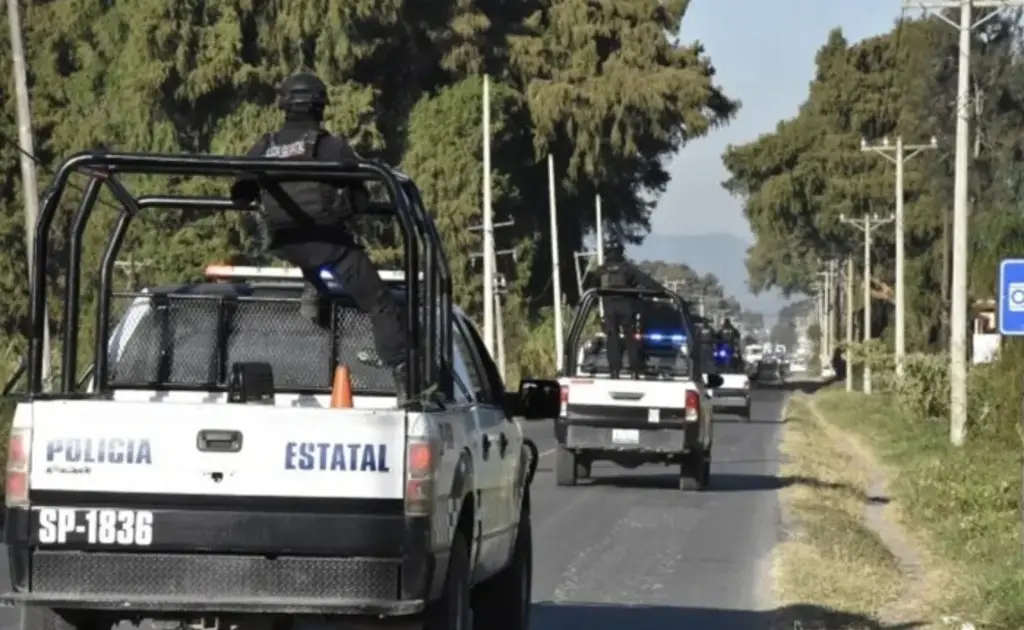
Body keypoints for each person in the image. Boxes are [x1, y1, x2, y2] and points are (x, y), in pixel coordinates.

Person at [229, 70, 408, 401]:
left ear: (284, 106)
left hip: (286, 243)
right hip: (329, 245)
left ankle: (318, 302)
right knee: (379, 302)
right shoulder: (331, 146)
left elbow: (239, 196)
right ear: (320, 107)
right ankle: (405, 381)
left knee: (320, 278)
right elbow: (359, 201)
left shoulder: (265, 147)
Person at [584, 240, 663, 378]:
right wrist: (660, 290)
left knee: (612, 337)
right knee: (631, 338)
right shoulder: (627, 269)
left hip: (610, 309)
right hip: (627, 308)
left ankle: (614, 370)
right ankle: (635, 370)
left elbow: (590, 287)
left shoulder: (601, 270)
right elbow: (645, 280)